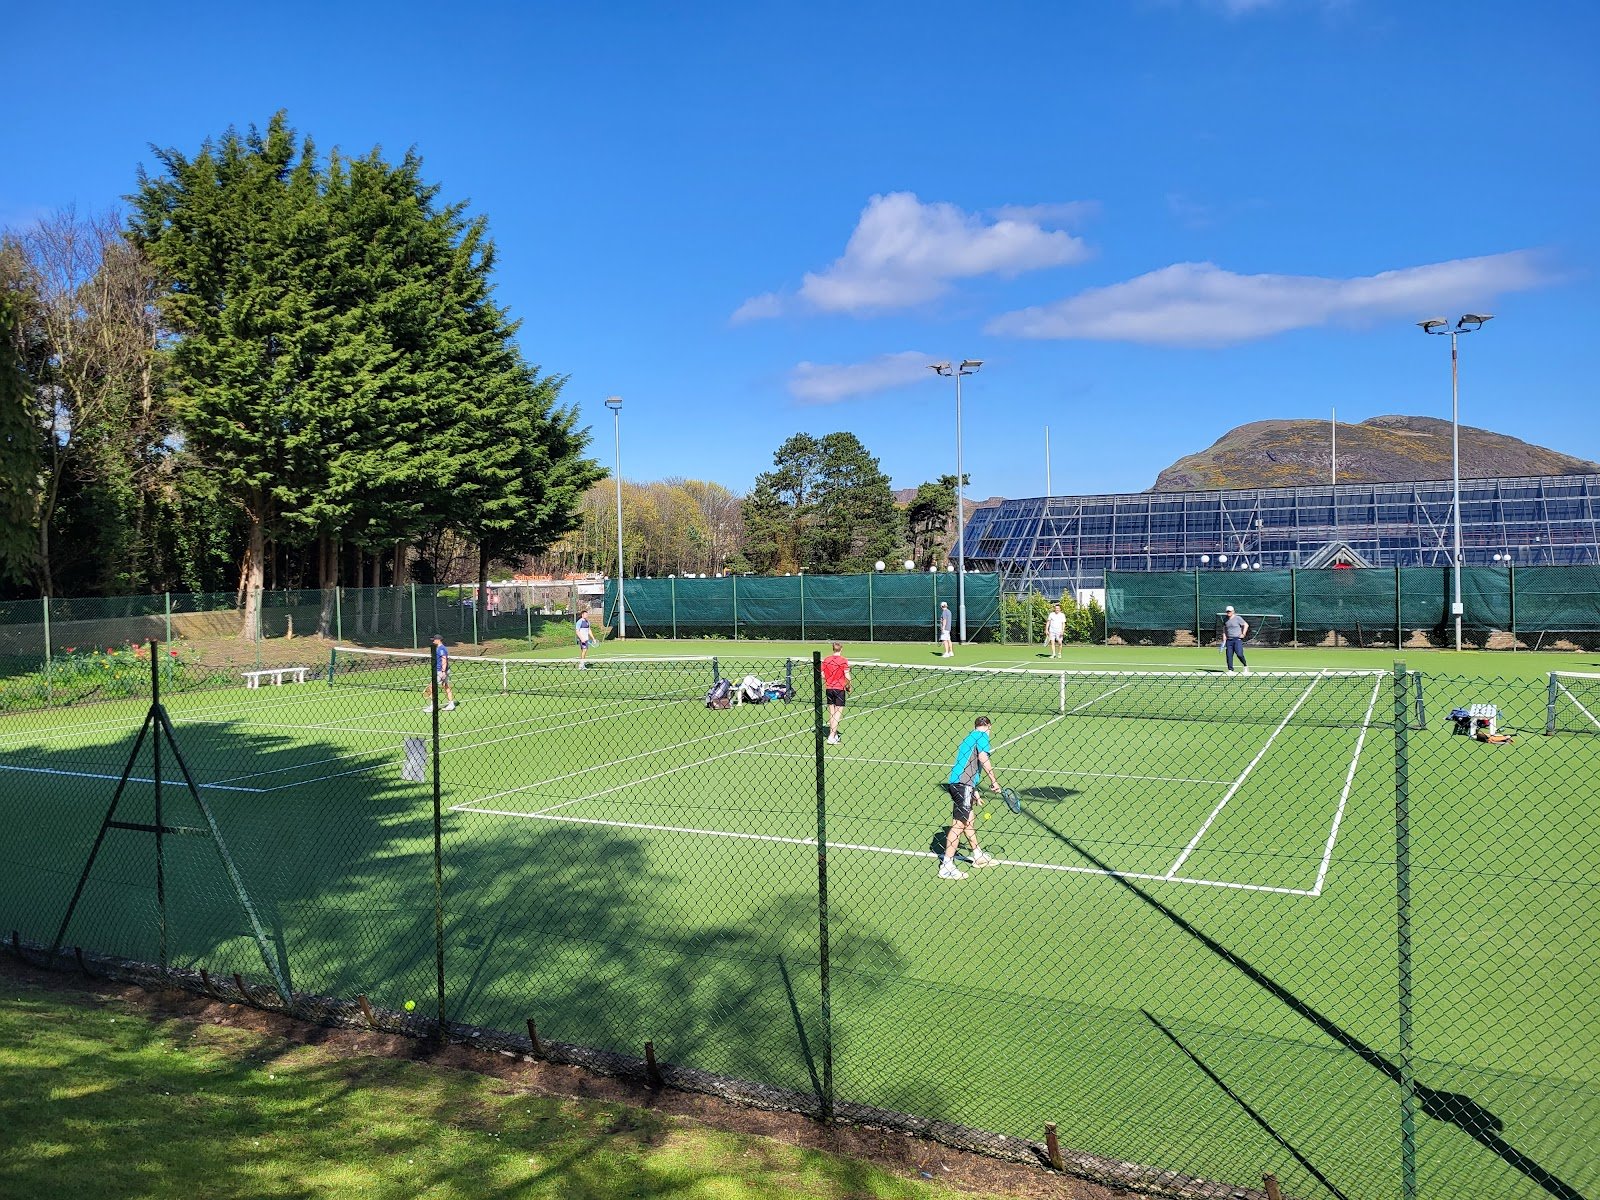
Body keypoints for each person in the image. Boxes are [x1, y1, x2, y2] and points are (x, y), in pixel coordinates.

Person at [940, 716, 1001, 879]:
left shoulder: (969, 737)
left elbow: (967, 764)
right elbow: (982, 758)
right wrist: (994, 781)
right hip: (962, 784)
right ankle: (946, 866)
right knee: (958, 824)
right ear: (989, 726)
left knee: (969, 819)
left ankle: (978, 855)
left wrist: (973, 790)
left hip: (960, 783)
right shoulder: (982, 736)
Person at [821, 641, 850, 745]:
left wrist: (830, 678)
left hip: (829, 688)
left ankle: (833, 734)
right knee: (838, 713)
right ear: (841, 649)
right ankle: (831, 736)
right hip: (839, 689)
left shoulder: (826, 660)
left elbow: (822, 675)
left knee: (832, 712)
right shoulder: (843, 660)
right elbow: (847, 676)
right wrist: (849, 686)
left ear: (833, 649)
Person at [424, 634, 455, 712]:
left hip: (440, 671)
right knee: (446, 686)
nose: (433, 641)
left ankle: (433, 706)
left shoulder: (441, 649)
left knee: (431, 686)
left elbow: (444, 660)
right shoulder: (438, 648)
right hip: (440, 670)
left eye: (434, 639)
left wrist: (443, 671)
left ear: (438, 640)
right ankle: (451, 704)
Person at [1222, 605, 1250, 675]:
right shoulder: (1225, 619)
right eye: (1227, 611)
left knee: (1239, 654)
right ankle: (1230, 669)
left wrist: (1243, 634)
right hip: (1229, 640)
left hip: (1237, 639)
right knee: (1229, 655)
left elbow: (1246, 625)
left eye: (1230, 611)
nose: (1228, 613)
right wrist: (1224, 636)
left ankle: (1245, 666)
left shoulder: (1238, 618)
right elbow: (1224, 628)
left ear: (1233, 611)